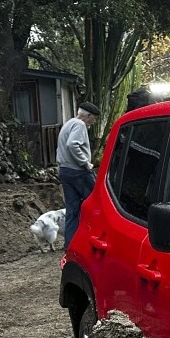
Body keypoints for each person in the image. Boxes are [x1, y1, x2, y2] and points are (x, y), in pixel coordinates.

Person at [57, 102, 101, 247]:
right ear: (87, 116)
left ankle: (70, 245)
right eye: (93, 119)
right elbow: (72, 144)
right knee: (98, 202)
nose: (93, 122)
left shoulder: (68, 123)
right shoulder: (80, 125)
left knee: (72, 210)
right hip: (78, 171)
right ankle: (96, 239)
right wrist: (84, 162)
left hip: (64, 171)